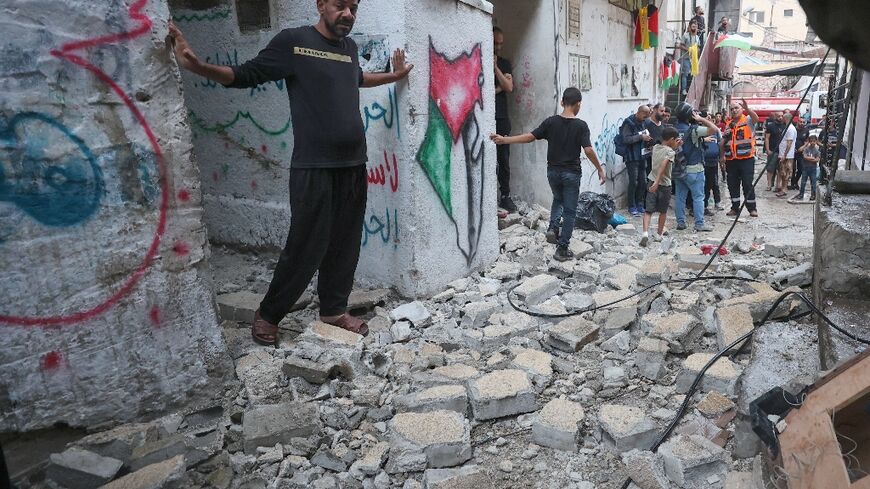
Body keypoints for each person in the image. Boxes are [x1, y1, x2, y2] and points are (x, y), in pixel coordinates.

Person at [168, 0, 413, 344]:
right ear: (321, 4)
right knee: (306, 245)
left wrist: (396, 76)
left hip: (353, 164)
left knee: (345, 242)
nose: (348, 14)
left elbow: (357, 78)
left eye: (353, 7)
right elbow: (246, 74)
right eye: (340, 5)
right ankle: (269, 314)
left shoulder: (349, 48)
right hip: (313, 166)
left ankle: (333, 309)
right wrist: (197, 66)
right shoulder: (293, 42)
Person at [490, 87, 606, 262]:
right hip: (571, 174)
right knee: (570, 211)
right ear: (578, 104)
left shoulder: (551, 122)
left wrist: (505, 139)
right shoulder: (581, 126)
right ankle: (562, 248)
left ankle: (552, 228)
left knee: (558, 199)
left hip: (552, 172)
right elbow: (588, 150)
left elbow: (530, 137)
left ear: (561, 102)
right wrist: (599, 168)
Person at [672, 102, 719, 232]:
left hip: (678, 169)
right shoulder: (694, 129)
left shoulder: (672, 129)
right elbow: (714, 129)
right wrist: (701, 119)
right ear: (690, 115)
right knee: (698, 197)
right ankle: (699, 223)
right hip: (695, 169)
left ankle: (680, 222)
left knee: (680, 198)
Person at [640, 126, 681, 247]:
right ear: (672, 139)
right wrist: (657, 182)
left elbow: (663, 151)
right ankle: (658, 234)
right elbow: (664, 163)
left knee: (648, 210)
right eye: (675, 139)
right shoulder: (670, 152)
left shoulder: (656, 147)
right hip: (664, 185)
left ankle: (645, 233)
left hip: (651, 181)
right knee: (663, 211)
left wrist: (675, 147)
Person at [721, 99, 761, 217]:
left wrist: (748, 109)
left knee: (747, 183)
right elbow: (724, 142)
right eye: (732, 109)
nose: (734, 110)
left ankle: (752, 208)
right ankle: (735, 207)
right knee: (732, 184)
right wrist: (722, 156)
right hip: (731, 160)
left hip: (746, 159)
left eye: (736, 108)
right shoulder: (729, 123)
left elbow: (756, 119)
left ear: (742, 109)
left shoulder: (748, 120)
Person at [493, 26, 516, 212]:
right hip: (483, 115)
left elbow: (509, 87)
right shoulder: (477, 58)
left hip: (501, 117)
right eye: (495, 43)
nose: (498, 47)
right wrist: (498, 87)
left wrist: (494, 68)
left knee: (504, 159)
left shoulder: (504, 63)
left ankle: (505, 195)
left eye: (501, 43)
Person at [621, 105, 653, 216]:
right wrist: (641, 137)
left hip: (642, 156)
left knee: (643, 181)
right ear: (639, 112)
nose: (645, 119)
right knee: (633, 182)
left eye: (647, 117)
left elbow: (645, 134)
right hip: (631, 157)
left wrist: (648, 142)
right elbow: (626, 139)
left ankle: (640, 203)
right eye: (644, 116)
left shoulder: (644, 122)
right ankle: (631, 205)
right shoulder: (628, 123)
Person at [677, 20, 701, 97]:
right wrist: (688, 49)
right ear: (690, 27)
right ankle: (683, 89)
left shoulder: (697, 37)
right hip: (686, 57)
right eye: (693, 26)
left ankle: (691, 91)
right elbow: (680, 45)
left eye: (696, 27)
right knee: (685, 74)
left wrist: (697, 51)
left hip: (693, 59)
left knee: (693, 74)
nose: (695, 28)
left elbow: (698, 47)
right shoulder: (685, 35)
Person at [703, 130, 725, 212]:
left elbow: (720, 144)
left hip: (714, 162)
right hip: (704, 163)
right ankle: (704, 205)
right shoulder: (701, 131)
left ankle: (717, 202)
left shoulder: (716, 132)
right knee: (706, 185)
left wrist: (721, 157)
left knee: (715, 183)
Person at [776, 112, 797, 197]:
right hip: (785, 154)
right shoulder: (788, 128)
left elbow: (789, 143)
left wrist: (784, 155)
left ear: (786, 118)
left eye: (783, 117)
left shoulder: (790, 129)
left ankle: (784, 189)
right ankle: (784, 189)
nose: (782, 119)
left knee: (785, 172)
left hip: (787, 155)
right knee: (783, 172)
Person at [795, 134, 820, 201]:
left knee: (813, 183)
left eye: (814, 141)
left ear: (816, 141)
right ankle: (801, 194)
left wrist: (810, 159)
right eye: (811, 141)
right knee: (803, 182)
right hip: (805, 168)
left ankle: (813, 195)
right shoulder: (806, 149)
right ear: (809, 141)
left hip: (813, 169)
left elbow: (817, 159)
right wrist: (812, 158)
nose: (812, 143)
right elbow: (804, 157)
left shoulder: (817, 151)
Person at [764, 111, 784, 191]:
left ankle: (778, 185)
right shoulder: (770, 126)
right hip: (772, 150)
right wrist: (768, 149)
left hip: (781, 151)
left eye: (782, 116)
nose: (780, 117)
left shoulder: (784, 126)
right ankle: (769, 185)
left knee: (780, 169)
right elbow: (767, 138)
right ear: (775, 116)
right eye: (779, 116)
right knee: (770, 169)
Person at [791, 117, 809, 189]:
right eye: (800, 122)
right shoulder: (793, 129)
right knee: (792, 169)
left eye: (803, 122)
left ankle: (795, 182)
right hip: (792, 152)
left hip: (800, 152)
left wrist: (803, 147)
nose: (802, 123)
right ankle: (792, 183)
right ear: (797, 121)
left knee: (801, 168)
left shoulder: (806, 130)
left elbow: (807, 141)